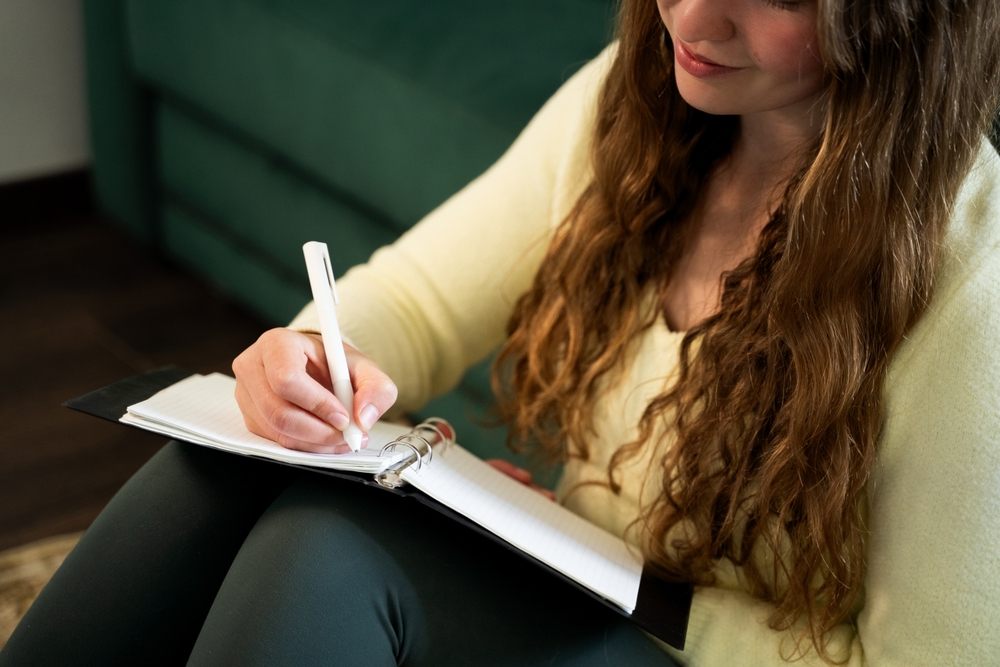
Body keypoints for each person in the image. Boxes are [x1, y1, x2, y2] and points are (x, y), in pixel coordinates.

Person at [3, 0, 1000, 665]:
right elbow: (415, 302)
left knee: (332, 547)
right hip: (587, 603)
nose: (693, 14)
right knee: (240, 462)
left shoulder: (972, 286)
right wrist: (309, 365)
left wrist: (595, 564)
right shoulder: (643, 100)